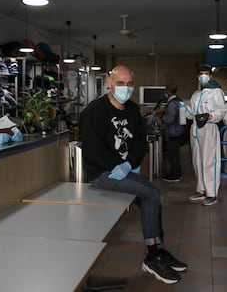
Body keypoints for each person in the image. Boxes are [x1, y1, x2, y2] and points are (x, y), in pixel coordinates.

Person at [79, 65, 187, 284]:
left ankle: (158, 250)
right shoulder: (94, 112)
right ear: (109, 84)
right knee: (151, 193)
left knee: (153, 195)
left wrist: (129, 164)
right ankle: (152, 255)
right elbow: (92, 151)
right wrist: (117, 166)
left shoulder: (132, 110)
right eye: (120, 83)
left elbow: (140, 143)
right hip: (102, 173)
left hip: (124, 170)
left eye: (129, 84)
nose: (125, 88)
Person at [186, 64, 226, 206]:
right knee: (197, 161)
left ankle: (212, 193)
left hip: (209, 128)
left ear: (210, 75)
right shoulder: (196, 94)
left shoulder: (216, 92)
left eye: (206, 73)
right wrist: (184, 109)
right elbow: (191, 113)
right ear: (198, 76)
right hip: (196, 128)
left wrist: (210, 116)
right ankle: (201, 189)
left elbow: (221, 112)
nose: (203, 76)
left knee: (210, 161)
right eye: (201, 73)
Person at [161, 83, 185, 183]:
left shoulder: (171, 104)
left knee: (172, 155)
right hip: (178, 132)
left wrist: (162, 117)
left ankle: (174, 176)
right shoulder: (179, 101)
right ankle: (177, 173)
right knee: (175, 154)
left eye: (166, 89)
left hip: (172, 133)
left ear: (168, 90)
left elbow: (170, 119)